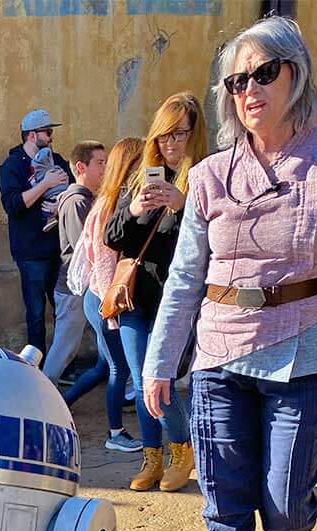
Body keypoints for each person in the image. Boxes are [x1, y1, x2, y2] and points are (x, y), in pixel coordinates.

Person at [143, 16, 317, 531]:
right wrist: (159, 362)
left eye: (264, 73)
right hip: (220, 352)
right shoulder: (208, 176)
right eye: (237, 80)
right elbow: (184, 279)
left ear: (296, 72)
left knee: (286, 497)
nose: (249, 89)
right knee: (224, 491)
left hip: (307, 345)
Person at [105, 92, 207, 491]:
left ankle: (181, 448)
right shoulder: (141, 178)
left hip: (174, 299)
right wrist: (133, 211)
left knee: (157, 374)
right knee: (140, 374)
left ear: (195, 135)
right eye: (164, 136)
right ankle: (152, 458)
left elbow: (211, 242)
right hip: (133, 298)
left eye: (180, 135)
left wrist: (183, 207)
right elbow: (111, 237)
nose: (171, 144)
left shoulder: (202, 178)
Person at [63, 137, 145, 454]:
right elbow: (100, 263)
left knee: (103, 366)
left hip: (101, 299)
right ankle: (115, 433)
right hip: (102, 299)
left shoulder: (111, 200)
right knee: (118, 369)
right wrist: (112, 312)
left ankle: (59, 403)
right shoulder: (107, 205)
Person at [0, 108, 71, 354]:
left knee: (65, 310)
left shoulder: (57, 160)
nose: (51, 136)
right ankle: (36, 367)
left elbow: (73, 191)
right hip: (30, 253)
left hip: (58, 248)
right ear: (31, 135)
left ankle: (62, 363)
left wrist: (59, 205)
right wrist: (45, 185)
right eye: (47, 132)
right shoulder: (12, 166)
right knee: (36, 314)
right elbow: (13, 205)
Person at [42, 140, 106, 383]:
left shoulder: (81, 199)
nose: (105, 169)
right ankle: (39, 396)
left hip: (78, 287)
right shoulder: (78, 201)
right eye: (100, 163)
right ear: (81, 167)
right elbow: (86, 246)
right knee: (64, 350)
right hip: (74, 289)